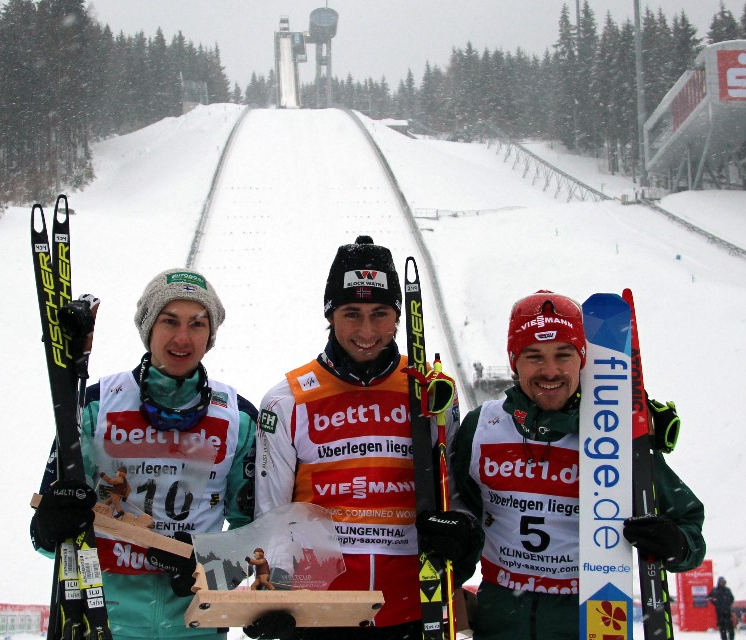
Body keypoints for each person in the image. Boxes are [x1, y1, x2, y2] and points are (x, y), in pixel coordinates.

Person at [248, 236, 477, 640]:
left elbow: (452, 492)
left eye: (380, 313)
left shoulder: (434, 390)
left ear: (397, 317)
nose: (367, 331)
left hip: (412, 606)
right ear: (330, 315)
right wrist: (275, 595)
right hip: (319, 613)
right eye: (351, 313)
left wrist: (462, 532)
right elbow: (272, 514)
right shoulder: (288, 399)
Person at [448, 291, 706, 640]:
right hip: (501, 619)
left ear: (581, 360)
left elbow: (688, 525)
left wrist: (675, 545)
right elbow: (463, 516)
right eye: (534, 356)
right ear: (514, 362)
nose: (550, 370)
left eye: (563, 355)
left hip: (589, 618)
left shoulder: (613, 434)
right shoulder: (482, 428)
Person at [30, 268, 257, 640]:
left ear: (210, 335)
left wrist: (209, 562)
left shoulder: (237, 416)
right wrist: (51, 524)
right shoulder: (96, 406)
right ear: (149, 327)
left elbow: (253, 534)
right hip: (104, 623)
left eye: (198, 325)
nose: (182, 338)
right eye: (170, 321)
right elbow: (45, 532)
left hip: (195, 628)